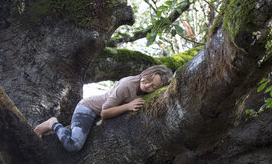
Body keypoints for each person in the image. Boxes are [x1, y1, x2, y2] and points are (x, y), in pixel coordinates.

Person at [34, 65, 173, 152]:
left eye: (154, 87)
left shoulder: (149, 92)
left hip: (98, 115)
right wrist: (128, 106)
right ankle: (52, 123)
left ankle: (67, 129)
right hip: (88, 108)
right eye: (148, 80)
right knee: (74, 144)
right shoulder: (127, 85)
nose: (148, 86)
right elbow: (105, 112)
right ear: (145, 73)